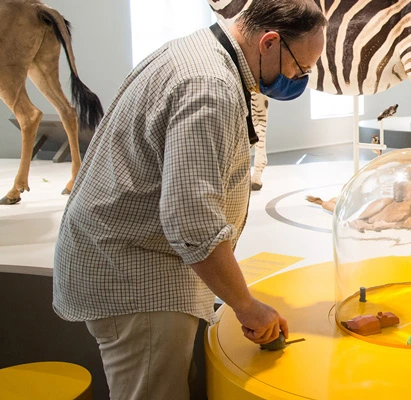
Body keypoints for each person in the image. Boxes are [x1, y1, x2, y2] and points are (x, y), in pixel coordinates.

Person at [52, 1, 326, 398]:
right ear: (268, 42)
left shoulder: (198, 51)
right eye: (298, 68)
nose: (295, 78)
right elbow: (191, 220)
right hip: (135, 279)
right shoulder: (210, 87)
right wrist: (246, 305)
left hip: (138, 262)